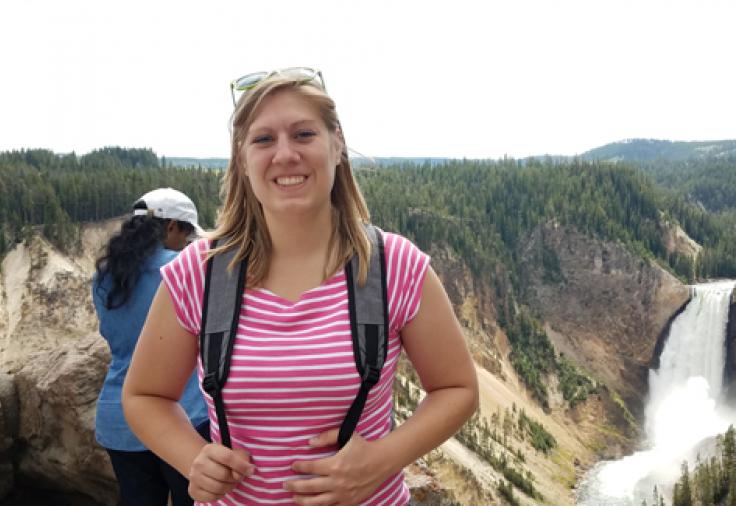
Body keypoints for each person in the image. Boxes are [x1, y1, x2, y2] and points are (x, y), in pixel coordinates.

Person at [122, 68, 479, 505]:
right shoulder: (199, 273)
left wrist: (381, 461)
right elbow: (145, 396)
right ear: (242, 158)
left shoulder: (394, 266)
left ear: (337, 144)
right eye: (264, 139)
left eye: (304, 134)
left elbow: (457, 388)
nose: (285, 154)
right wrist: (193, 458)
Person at [93, 187, 210, 505]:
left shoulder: (105, 274)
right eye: (185, 234)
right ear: (172, 226)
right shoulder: (182, 269)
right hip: (182, 415)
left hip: (118, 419)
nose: (186, 243)